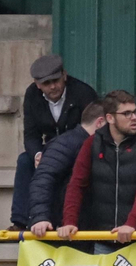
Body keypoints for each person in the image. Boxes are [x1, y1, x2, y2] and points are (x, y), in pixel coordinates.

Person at [58, 90, 136, 245]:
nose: (134, 117)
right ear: (110, 118)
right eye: (127, 113)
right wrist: (69, 221)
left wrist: (131, 224)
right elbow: (76, 184)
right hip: (103, 237)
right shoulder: (92, 143)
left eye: (135, 112)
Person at [11, 55, 97, 230]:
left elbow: (90, 131)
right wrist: (37, 154)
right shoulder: (32, 95)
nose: (52, 86)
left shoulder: (83, 92)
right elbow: (31, 134)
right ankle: (20, 221)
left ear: (64, 75)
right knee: (24, 161)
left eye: (56, 80)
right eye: (46, 83)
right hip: (49, 150)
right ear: (37, 83)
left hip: (77, 150)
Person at [26, 102, 105, 238]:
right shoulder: (67, 143)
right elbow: (43, 179)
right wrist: (40, 217)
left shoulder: (78, 143)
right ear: (100, 122)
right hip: (60, 229)